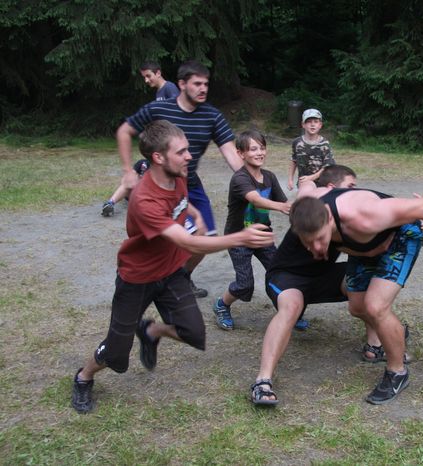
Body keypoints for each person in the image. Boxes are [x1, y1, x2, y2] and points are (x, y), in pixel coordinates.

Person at [71, 120, 274, 414]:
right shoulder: (144, 199)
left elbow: (180, 201)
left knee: (194, 333)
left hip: (170, 272)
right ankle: (83, 377)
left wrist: (195, 213)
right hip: (137, 278)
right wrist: (240, 237)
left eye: (187, 149)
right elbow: (188, 243)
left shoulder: (177, 175)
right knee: (116, 354)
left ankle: (151, 331)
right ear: (158, 157)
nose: (189, 156)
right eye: (181, 152)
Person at [285, 184, 423, 405]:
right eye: (309, 243)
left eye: (319, 239)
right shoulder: (306, 214)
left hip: (400, 237)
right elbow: (306, 184)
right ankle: (393, 335)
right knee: (357, 307)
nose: (315, 247)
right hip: (366, 244)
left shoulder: (360, 216)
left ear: (329, 221)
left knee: (376, 306)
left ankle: (397, 372)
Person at [115, 60, 243, 298]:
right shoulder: (159, 109)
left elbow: (231, 155)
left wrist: (252, 184)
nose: (203, 89)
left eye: (206, 84)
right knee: (164, 239)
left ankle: (181, 278)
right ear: (182, 84)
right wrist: (127, 171)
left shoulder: (211, 116)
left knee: (205, 235)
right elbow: (124, 131)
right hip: (160, 184)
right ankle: (150, 280)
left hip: (189, 183)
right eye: (197, 84)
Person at [250, 165, 358, 406]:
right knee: (292, 307)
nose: (355, 192)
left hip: (322, 276)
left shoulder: (350, 216)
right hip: (286, 277)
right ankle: (262, 381)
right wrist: (311, 180)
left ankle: (376, 345)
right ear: (331, 188)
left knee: (362, 278)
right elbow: (306, 187)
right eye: (350, 186)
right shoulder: (312, 208)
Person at [211, 130, 291, 330]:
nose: (259, 153)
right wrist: (281, 206)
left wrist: (303, 213)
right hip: (239, 239)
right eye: (253, 149)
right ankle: (221, 305)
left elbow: (285, 204)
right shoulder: (240, 178)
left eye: (262, 148)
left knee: (280, 274)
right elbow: (255, 199)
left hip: (262, 236)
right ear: (241, 153)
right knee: (245, 284)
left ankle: (288, 312)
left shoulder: (270, 177)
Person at [100, 62, 181, 217]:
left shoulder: (169, 88)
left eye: (148, 76)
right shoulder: (159, 92)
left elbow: (177, 113)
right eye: (144, 77)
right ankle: (115, 201)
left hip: (169, 145)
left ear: (158, 73)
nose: (146, 80)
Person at [287, 108, 335, 190]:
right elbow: (294, 160)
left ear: (320, 125)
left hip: (322, 183)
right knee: (306, 192)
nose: (312, 124)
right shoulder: (297, 142)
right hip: (304, 182)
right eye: (309, 121)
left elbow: (327, 167)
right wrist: (290, 179)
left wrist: (311, 177)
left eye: (316, 122)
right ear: (303, 124)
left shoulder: (325, 144)